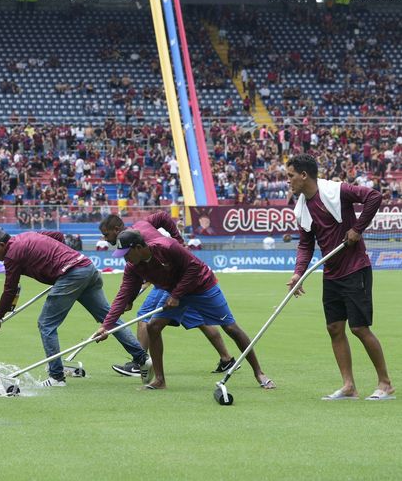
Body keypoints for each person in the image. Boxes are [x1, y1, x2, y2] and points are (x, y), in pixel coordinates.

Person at [99, 229, 274, 391]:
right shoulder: (133, 267)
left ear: (138, 248)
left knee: (231, 328)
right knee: (153, 327)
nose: (124, 259)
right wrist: (106, 327)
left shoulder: (167, 247)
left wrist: (176, 295)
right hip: (176, 293)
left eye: (127, 254)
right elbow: (123, 295)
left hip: (203, 287)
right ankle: (159, 380)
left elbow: (194, 268)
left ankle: (259, 373)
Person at [0, 225, 150, 387]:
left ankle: (56, 377)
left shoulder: (11, 255)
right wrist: (57, 262)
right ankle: (143, 358)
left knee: (46, 324)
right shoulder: (27, 235)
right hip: (86, 266)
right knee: (109, 318)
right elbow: (58, 236)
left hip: (72, 274)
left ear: (1, 245)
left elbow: (10, 290)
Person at [286, 154, 394, 401]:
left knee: (358, 328)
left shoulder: (336, 190)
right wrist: (297, 274)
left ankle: (385, 384)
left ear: (304, 175)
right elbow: (305, 245)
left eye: (291, 176)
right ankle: (349, 387)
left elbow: (373, 197)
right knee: (334, 328)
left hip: (356, 268)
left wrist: (357, 229)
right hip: (331, 273)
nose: (288, 181)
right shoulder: (301, 207)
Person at [99, 214, 234, 373]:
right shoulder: (133, 237)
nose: (105, 239)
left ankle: (140, 363)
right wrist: (129, 299)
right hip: (173, 282)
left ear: (116, 229)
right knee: (196, 318)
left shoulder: (139, 240)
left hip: (172, 282)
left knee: (145, 317)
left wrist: (178, 240)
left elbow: (163, 220)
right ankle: (226, 358)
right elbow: (132, 280)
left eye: (106, 234)